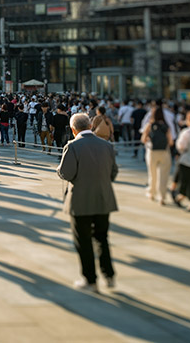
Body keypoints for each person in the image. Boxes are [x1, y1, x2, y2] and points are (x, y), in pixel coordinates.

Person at [57, 112, 118, 292]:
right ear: (91, 126)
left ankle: (90, 279)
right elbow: (113, 173)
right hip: (102, 197)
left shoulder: (72, 146)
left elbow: (66, 173)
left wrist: (58, 170)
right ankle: (109, 275)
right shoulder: (107, 146)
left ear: (73, 129)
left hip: (80, 199)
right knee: (102, 238)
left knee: (83, 241)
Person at [141, 103, 173, 205]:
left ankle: (152, 194)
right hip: (164, 152)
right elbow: (171, 142)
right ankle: (162, 198)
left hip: (152, 152)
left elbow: (143, 140)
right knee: (163, 176)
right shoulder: (166, 126)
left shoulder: (149, 125)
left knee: (152, 174)